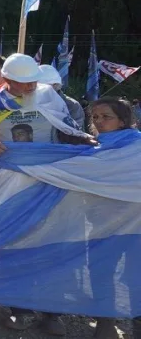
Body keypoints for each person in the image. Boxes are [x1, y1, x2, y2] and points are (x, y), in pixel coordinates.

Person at [0, 54, 94, 335]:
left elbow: (66, 131)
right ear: (8, 80)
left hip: (50, 182)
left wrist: (83, 138)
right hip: (11, 183)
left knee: (52, 244)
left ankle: (53, 313)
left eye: (32, 82)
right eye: (24, 83)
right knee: (16, 244)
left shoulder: (50, 98)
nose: (30, 88)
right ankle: (19, 310)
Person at [87, 98, 139, 339]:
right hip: (102, 219)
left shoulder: (137, 145)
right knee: (100, 270)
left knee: (135, 274)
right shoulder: (91, 147)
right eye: (95, 117)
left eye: (105, 117)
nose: (98, 121)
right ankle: (105, 322)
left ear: (122, 121)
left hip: (136, 223)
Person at [38, 64, 86, 130]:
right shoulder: (29, 102)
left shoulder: (72, 105)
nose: (38, 89)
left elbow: (75, 132)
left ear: (56, 85)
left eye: (42, 86)